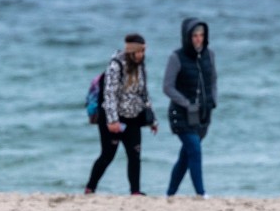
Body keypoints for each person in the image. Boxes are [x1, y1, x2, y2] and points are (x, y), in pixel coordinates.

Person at [85, 33, 157, 195]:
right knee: (107, 155)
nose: (140, 55)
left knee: (135, 155)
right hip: (112, 119)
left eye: (143, 52)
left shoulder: (141, 66)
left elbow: (144, 93)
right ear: (130, 51)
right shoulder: (115, 66)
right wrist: (112, 121)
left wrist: (152, 119)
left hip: (133, 118)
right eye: (137, 52)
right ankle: (90, 188)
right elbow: (109, 95)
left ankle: (135, 191)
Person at [163, 18, 217, 197]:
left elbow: (213, 80)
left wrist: (212, 100)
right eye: (194, 35)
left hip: (203, 115)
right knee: (194, 149)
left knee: (186, 156)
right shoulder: (176, 57)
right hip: (181, 114)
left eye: (201, 35)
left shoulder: (210, 55)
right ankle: (201, 193)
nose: (198, 39)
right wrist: (186, 103)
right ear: (187, 37)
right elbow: (167, 87)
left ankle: (170, 194)